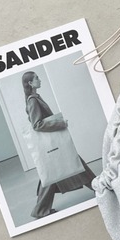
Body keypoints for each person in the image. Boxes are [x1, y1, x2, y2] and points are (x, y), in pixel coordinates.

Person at [22, 71, 96, 218]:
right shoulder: (33, 101)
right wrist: (60, 123)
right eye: (37, 78)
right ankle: (98, 187)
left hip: (52, 145)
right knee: (67, 166)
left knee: (56, 171)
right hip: (51, 144)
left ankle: (97, 187)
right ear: (30, 83)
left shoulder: (36, 98)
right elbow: (37, 125)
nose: (40, 80)